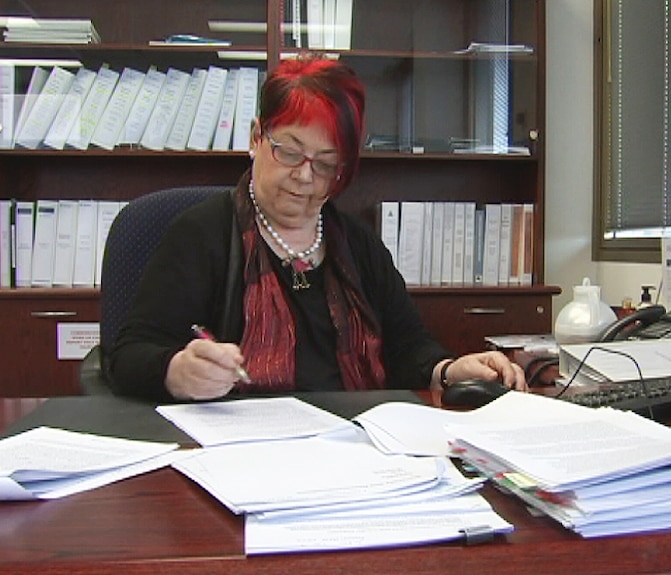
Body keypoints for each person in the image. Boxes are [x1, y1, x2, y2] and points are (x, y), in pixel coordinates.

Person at [109, 55, 527, 402]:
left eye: (325, 163)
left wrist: (450, 370)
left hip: (356, 446)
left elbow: (407, 345)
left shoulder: (358, 245)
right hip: (238, 453)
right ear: (257, 138)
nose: (305, 177)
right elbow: (127, 355)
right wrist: (177, 371)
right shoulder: (200, 235)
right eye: (289, 152)